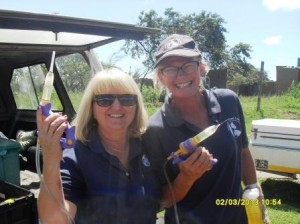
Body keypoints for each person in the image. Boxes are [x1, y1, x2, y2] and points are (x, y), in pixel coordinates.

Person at [142, 34, 270, 224]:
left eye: (188, 65)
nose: (180, 75)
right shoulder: (155, 129)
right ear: (160, 76)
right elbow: (163, 200)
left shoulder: (228, 101)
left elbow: (243, 151)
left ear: (201, 68)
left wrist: (253, 189)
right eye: (170, 69)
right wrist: (186, 178)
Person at [36, 68, 161, 224]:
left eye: (127, 99)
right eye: (105, 99)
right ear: (91, 108)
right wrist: (50, 158)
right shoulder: (75, 155)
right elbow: (54, 221)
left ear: (136, 106)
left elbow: (162, 199)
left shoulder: (148, 144)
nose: (116, 106)